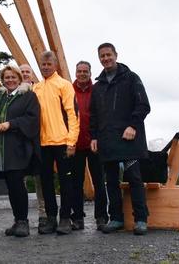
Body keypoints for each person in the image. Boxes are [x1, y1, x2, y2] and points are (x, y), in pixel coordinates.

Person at [90, 42, 151, 236]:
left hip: (129, 141)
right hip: (107, 141)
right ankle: (116, 218)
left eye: (108, 54)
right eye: (102, 56)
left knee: (134, 178)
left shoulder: (131, 78)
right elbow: (93, 115)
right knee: (111, 182)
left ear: (116, 55)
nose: (106, 58)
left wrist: (133, 125)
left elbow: (143, 105)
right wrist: (93, 137)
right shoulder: (97, 86)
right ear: (99, 59)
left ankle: (141, 219)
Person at [0, 65, 41, 237]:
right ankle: (17, 220)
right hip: (2, 150)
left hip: (18, 148)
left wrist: (11, 124)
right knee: (11, 186)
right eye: (6, 77)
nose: (10, 80)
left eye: (13, 77)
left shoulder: (28, 96)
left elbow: (32, 119)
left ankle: (23, 221)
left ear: (19, 78)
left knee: (18, 185)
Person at [33, 51, 79, 235]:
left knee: (66, 182)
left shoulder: (64, 85)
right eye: (43, 64)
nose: (45, 67)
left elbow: (73, 114)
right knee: (46, 183)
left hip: (62, 142)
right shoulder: (36, 88)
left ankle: (66, 218)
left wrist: (71, 142)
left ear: (55, 65)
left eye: (48, 64)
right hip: (43, 144)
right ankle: (51, 218)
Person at [70, 61, 108, 231]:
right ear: (75, 73)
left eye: (85, 71)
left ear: (90, 73)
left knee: (99, 181)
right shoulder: (68, 90)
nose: (82, 74)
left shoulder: (98, 90)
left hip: (95, 143)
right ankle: (77, 217)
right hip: (75, 144)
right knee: (76, 183)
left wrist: (99, 137)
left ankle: (101, 217)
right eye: (80, 71)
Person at [18, 63, 47, 229]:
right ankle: (22, 216)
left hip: (37, 139)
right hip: (19, 142)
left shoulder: (39, 91)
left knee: (39, 179)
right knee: (20, 180)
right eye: (21, 72)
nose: (24, 74)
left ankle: (43, 214)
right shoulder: (12, 92)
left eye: (27, 72)